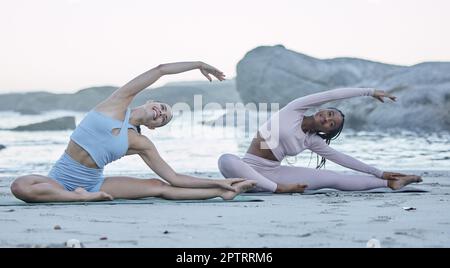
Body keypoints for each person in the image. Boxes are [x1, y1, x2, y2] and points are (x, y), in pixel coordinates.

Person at [11, 61, 256, 203]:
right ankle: (77, 198)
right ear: (149, 102)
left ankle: (226, 192)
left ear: (153, 126)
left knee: (158, 187)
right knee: (20, 186)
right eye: (161, 108)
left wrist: (219, 182)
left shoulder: (141, 143)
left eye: (164, 119)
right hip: (58, 180)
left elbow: (174, 179)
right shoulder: (117, 102)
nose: (160, 113)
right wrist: (199, 64)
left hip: (93, 183)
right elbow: (160, 70)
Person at [218, 87, 422, 193]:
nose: (327, 119)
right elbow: (332, 94)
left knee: (333, 178)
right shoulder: (295, 109)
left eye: (331, 124)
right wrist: (368, 92)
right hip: (249, 169)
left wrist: (379, 173)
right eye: (330, 114)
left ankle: (390, 184)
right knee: (226, 159)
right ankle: (276, 189)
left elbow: (343, 159)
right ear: (323, 109)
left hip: (274, 173)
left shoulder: (312, 141)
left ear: (328, 131)